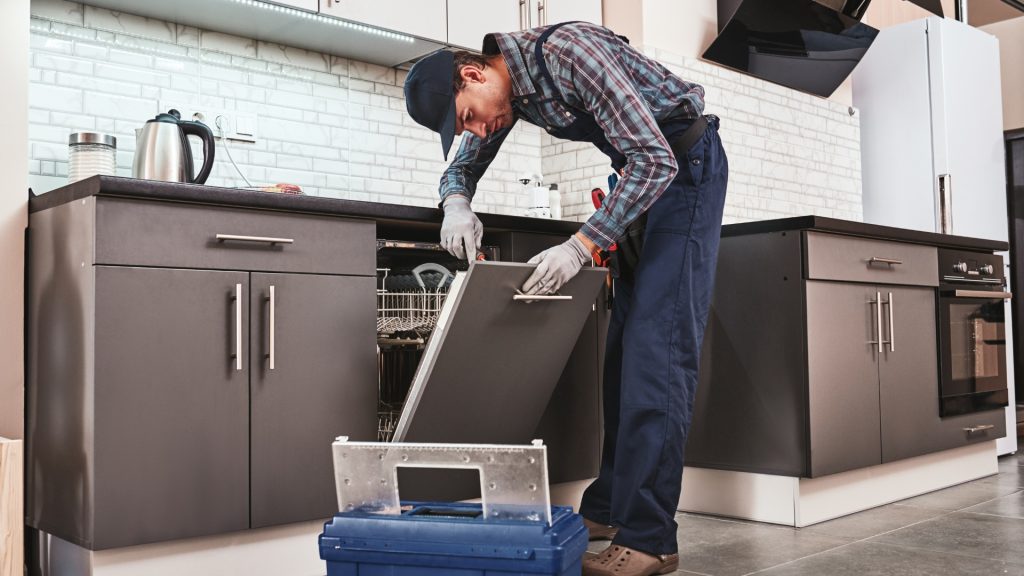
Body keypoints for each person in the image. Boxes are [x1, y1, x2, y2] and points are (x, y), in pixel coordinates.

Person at [403, 20, 728, 576]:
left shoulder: (569, 55)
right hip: (643, 182)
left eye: (467, 117)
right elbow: (463, 165)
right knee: (624, 354)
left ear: (473, 73)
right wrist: (456, 202)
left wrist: (581, 246)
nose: (477, 132)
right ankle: (610, 508)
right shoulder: (513, 93)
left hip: (683, 171)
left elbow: (655, 159)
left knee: (659, 355)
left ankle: (651, 539)